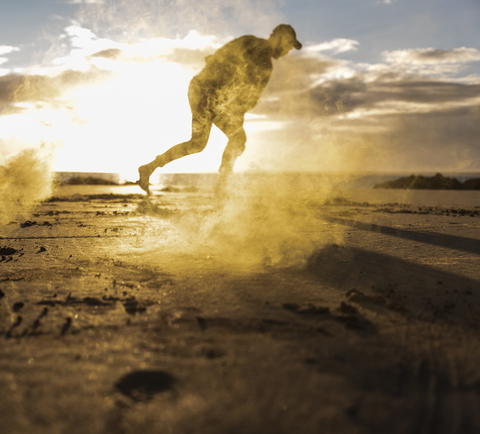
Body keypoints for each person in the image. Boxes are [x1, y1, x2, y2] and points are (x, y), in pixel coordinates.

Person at [138, 24, 302, 196]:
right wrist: (219, 90)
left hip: (220, 101)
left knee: (227, 141)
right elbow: (217, 59)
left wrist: (235, 109)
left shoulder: (267, 66)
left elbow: (248, 101)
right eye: (289, 44)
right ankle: (222, 187)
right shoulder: (251, 43)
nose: (288, 50)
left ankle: (149, 169)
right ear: (278, 37)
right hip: (204, 91)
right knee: (201, 143)